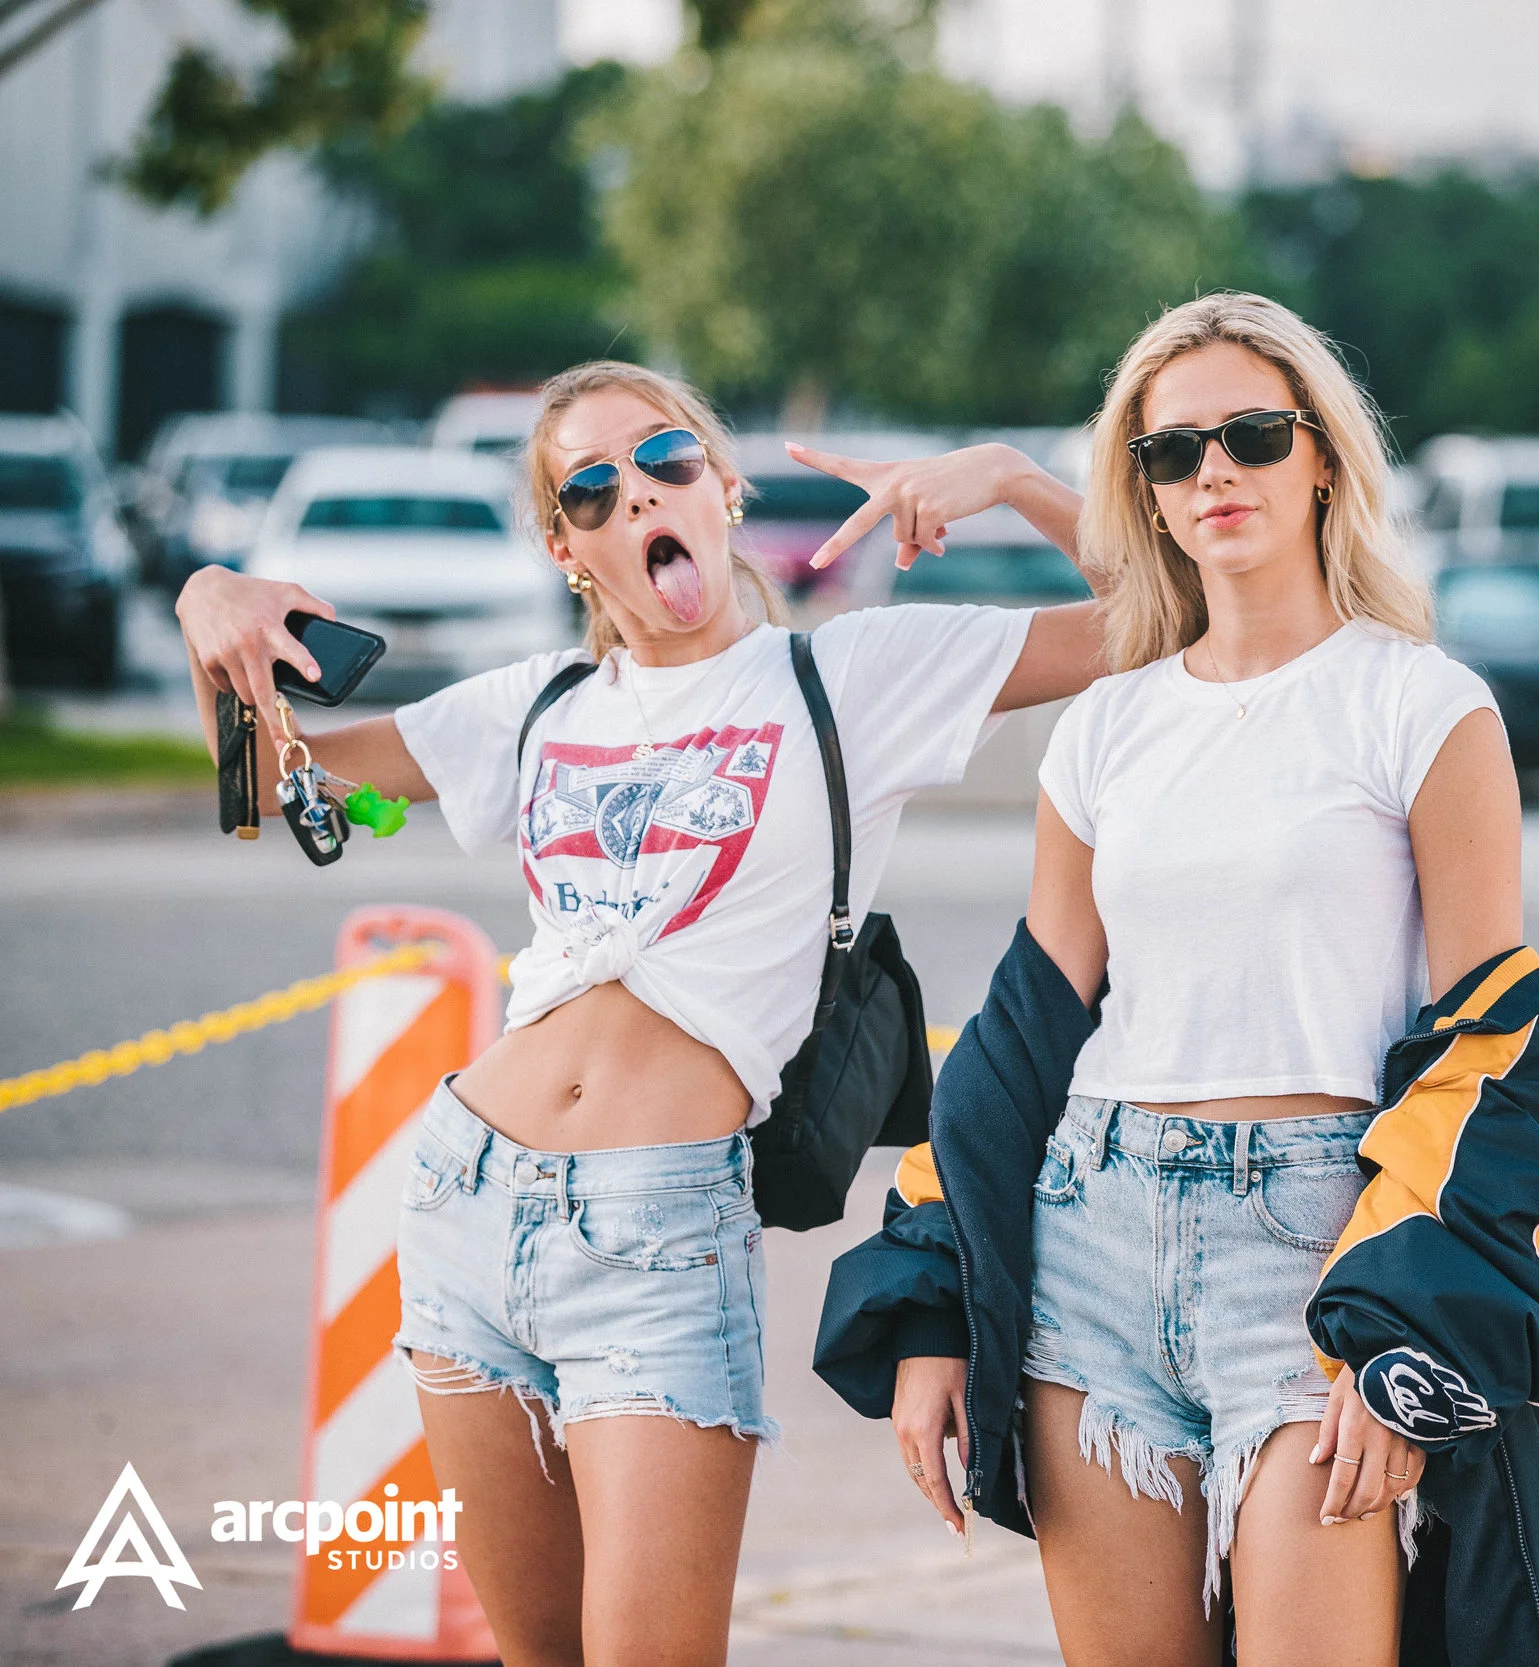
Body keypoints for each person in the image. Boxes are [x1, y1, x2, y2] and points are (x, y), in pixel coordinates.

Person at [173, 358, 1101, 1667]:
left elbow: (1166, 610)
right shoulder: (540, 705)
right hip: (464, 1201)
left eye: (667, 461)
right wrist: (212, 605)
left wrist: (1008, 476)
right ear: (567, 545)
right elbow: (273, 782)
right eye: (594, 488)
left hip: (660, 1232)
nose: (640, 496)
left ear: (721, 487)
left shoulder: (853, 678)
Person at [815, 293, 1539, 1667]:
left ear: (1322, 454)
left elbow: (1491, 1041)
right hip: (1094, 1236)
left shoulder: (1423, 705)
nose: (1216, 471)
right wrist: (930, 1297)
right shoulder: (1107, 724)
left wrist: (1402, 1340)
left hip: (1323, 1254)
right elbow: (1028, 1030)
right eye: (1172, 451)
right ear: (1142, 492)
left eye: (1253, 435)